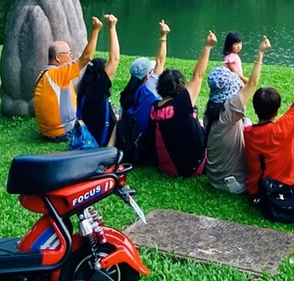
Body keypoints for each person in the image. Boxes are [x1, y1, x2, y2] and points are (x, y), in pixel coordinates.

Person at [243, 46, 294, 200]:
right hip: (285, 188)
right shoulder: (283, 127)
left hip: (257, 190)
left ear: (255, 110)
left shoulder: (248, 133)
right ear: (277, 110)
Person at [145, 30, 216, 177]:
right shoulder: (182, 103)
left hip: (166, 167)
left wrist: (163, 37)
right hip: (191, 167)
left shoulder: (154, 108)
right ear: (180, 86)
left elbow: (159, 63)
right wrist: (208, 47)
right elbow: (198, 75)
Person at [205, 42, 266, 195]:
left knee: (245, 122)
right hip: (233, 184)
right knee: (250, 126)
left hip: (213, 178)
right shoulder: (230, 109)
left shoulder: (210, 109)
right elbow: (252, 84)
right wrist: (260, 53)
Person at [33, 16, 101, 141]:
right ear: (58, 58)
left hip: (47, 132)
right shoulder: (59, 75)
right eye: (69, 54)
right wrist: (96, 30)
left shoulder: (44, 73)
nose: (72, 56)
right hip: (61, 133)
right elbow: (86, 57)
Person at [115, 20, 167, 162]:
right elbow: (160, 60)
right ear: (147, 75)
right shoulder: (149, 89)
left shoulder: (126, 93)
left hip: (127, 145)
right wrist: (163, 36)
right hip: (143, 150)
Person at [75, 15, 120, 147]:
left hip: (90, 135)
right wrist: (112, 27)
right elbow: (115, 59)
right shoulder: (98, 90)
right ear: (102, 73)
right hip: (101, 141)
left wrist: (95, 30)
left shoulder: (83, 89)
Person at [205, 31, 259, 134]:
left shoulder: (235, 56)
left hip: (235, 85)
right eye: (235, 44)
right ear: (229, 45)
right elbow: (236, 73)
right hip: (233, 86)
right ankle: (239, 121)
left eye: (240, 43)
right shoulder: (230, 58)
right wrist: (245, 79)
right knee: (238, 103)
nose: (239, 46)